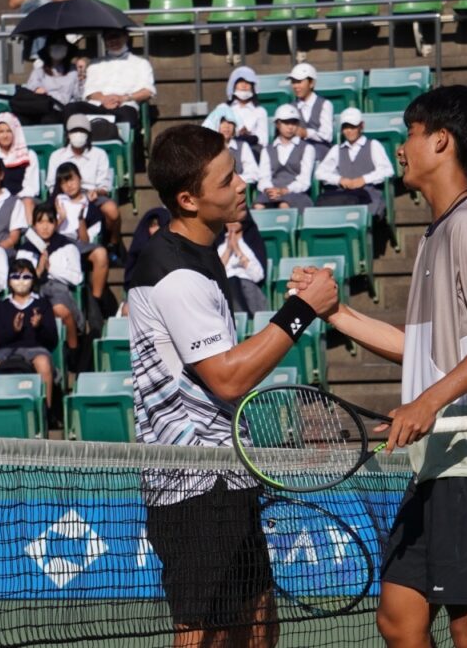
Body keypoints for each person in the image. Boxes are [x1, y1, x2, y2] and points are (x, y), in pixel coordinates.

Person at [288, 85, 467, 648]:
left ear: (440, 140)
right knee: (400, 619)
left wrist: (426, 402)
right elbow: (421, 351)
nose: (401, 148)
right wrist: (336, 313)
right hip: (438, 464)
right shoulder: (436, 232)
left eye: (411, 134)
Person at [128, 123, 338, 648]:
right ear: (189, 199)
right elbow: (227, 377)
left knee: (258, 622)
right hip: (192, 484)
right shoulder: (175, 273)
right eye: (226, 180)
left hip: (226, 475)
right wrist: (300, 311)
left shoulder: (201, 254)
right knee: (208, 633)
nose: (241, 184)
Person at [66, 29, 156, 169]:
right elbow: (90, 92)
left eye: (116, 37)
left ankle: (124, 161)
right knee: (71, 109)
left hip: (125, 104)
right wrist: (103, 99)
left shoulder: (141, 63)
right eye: (108, 38)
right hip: (99, 104)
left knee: (128, 116)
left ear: (125, 37)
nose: (113, 41)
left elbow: (147, 91)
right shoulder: (95, 64)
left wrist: (124, 97)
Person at [0, 258, 59, 408]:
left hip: (35, 349)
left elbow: (52, 340)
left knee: (43, 363)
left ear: (33, 280)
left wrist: (39, 326)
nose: (21, 281)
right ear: (9, 280)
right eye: (16, 277)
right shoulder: (1, 306)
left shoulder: (42, 304)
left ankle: (46, 411)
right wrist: (14, 330)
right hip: (5, 351)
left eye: (26, 277)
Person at [45, 114, 121, 261]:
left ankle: (113, 243)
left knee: (112, 210)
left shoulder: (99, 154)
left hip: (92, 194)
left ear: (88, 134)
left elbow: (105, 185)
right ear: (67, 134)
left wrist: (96, 192)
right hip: (63, 194)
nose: (78, 135)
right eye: (74, 131)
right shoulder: (57, 156)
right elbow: (51, 185)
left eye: (82, 131)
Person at [51, 162, 113, 330]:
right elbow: (44, 232)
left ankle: (96, 299)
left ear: (79, 178)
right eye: (63, 182)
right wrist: (60, 219)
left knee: (100, 253)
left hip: (79, 244)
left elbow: (86, 241)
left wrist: (80, 220)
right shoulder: (55, 202)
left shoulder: (91, 207)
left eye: (71, 179)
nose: (68, 185)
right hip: (57, 244)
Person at [17, 203, 84, 349]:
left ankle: (74, 349)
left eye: (50, 222)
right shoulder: (25, 250)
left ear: (55, 224)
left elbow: (77, 278)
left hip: (58, 288)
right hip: (32, 290)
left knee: (60, 309)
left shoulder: (67, 246)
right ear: (34, 225)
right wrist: (38, 271)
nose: (45, 227)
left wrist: (50, 269)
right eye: (40, 222)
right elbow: (18, 279)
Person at [314, 107, 395, 217]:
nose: (349, 131)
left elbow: (387, 170)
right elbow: (320, 173)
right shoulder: (337, 150)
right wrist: (339, 179)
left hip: (368, 195)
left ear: (361, 126)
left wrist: (364, 179)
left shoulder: (373, 145)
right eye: (346, 127)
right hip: (343, 195)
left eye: (353, 127)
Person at [0, 112, 41, 223]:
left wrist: (12, 201)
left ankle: (30, 237)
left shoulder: (29, 155)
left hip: (20, 199)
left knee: (28, 202)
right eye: (1, 131)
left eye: (9, 131)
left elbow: (31, 188)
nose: (5, 135)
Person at [255, 104, 315, 210]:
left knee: (284, 205)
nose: (290, 127)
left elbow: (304, 181)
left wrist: (284, 190)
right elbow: (263, 177)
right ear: (278, 124)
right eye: (286, 123)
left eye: (294, 123)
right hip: (271, 193)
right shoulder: (267, 150)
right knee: (258, 206)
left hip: (296, 194)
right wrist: (270, 190)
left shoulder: (307, 148)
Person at [8, 0, 76, 59]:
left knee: (44, 1)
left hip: (54, 12)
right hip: (29, 10)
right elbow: (13, 3)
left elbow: (68, 3)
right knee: (43, 0)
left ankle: (37, 54)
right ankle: (39, 54)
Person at [216, 214, 268, 316]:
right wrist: (228, 249)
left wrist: (237, 249)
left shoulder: (249, 244)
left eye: (236, 219)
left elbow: (258, 276)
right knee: (231, 283)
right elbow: (216, 272)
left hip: (248, 286)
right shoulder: (220, 247)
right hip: (225, 288)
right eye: (229, 220)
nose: (232, 223)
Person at [22, 33, 79, 124]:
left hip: (69, 110)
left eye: (62, 44)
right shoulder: (39, 71)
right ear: (48, 49)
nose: (59, 47)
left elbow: (78, 95)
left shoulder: (74, 71)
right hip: (48, 110)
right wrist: (37, 90)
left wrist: (82, 77)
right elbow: (32, 87)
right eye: (55, 44)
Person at [209, 66, 269, 151]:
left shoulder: (260, 111)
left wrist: (248, 138)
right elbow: (212, 134)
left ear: (253, 86)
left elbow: (263, 140)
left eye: (248, 82)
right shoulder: (222, 108)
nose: (244, 85)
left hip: (253, 152)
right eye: (240, 81)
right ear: (233, 85)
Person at [203, 106, 259, 185]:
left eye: (230, 123)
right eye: (222, 122)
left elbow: (254, 173)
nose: (227, 126)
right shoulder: (209, 148)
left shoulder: (243, 146)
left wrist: (231, 180)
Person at [289, 63, 334, 160]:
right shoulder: (290, 107)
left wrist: (306, 133)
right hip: (297, 151)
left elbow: (327, 135)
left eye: (299, 81)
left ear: (311, 83)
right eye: (293, 82)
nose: (296, 86)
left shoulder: (325, 104)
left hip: (320, 152)